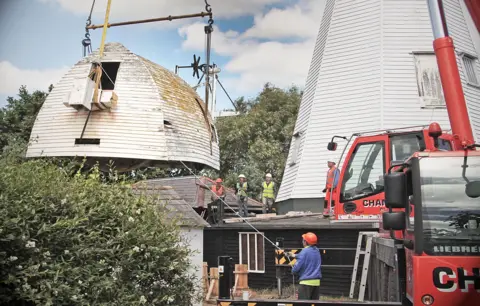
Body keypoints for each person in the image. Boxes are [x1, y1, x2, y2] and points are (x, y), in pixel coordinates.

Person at [289, 232, 322, 300]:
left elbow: (297, 267)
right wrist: (294, 255)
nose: (302, 241)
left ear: (305, 242)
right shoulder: (317, 250)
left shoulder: (304, 251)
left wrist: (293, 271)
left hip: (305, 283)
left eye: (303, 240)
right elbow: (307, 255)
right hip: (316, 283)